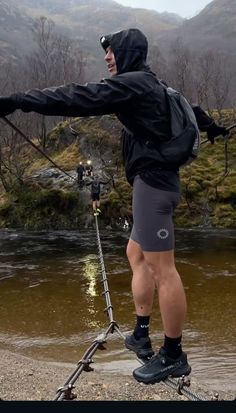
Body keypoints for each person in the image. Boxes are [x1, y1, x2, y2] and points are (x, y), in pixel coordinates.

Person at [0, 28, 229, 384]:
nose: (107, 58)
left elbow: (77, 96)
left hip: (154, 185)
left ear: (127, 52)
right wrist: (212, 126)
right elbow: (190, 107)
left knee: (163, 270)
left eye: (112, 52)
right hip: (152, 184)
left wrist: (17, 100)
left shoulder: (133, 84)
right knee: (135, 254)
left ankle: (173, 354)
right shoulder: (153, 83)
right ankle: (141, 331)